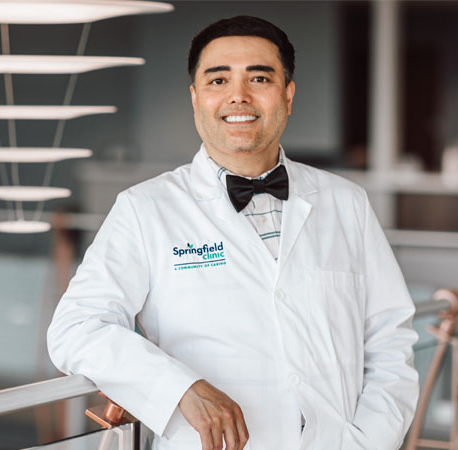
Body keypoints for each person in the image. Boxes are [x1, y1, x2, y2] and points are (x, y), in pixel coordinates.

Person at [47, 15, 419, 450]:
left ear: (288, 94)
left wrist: (370, 442)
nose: (238, 96)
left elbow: (390, 337)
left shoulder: (347, 202)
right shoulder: (145, 209)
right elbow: (76, 328)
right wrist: (179, 388)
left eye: (258, 78)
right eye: (218, 80)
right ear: (195, 98)